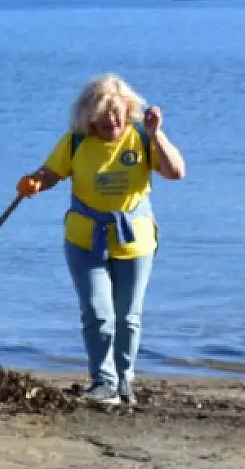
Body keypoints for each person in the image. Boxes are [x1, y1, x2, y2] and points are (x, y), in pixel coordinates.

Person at [17, 75, 185, 406]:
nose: (111, 125)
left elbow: (176, 171)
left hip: (134, 241)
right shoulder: (75, 142)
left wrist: (156, 134)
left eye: (117, 118)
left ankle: (124, 379)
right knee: (97, 311)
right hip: (85, 240)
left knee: (128, 316)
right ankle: (103, 381)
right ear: (89, 117)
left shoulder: (142, 137)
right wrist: (34, 182)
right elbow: (50, 173)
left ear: (128, 113)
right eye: (104, 120)